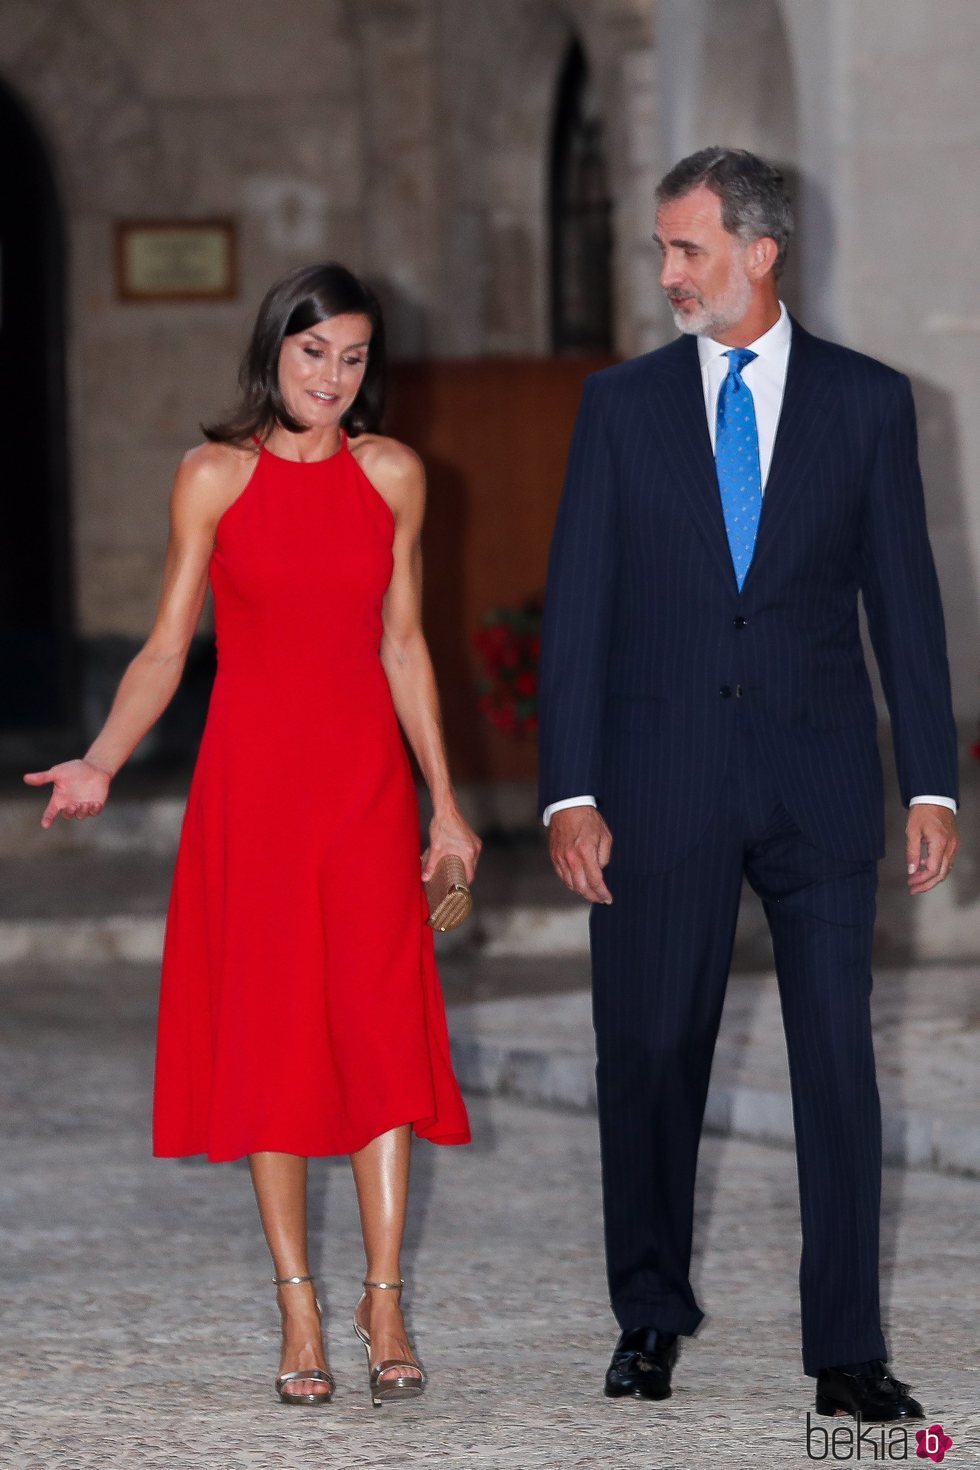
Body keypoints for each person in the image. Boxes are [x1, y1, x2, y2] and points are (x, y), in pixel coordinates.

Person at [538, 148, 958, 1421]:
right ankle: (648, 1316)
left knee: (836, 1058)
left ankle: (845, 1353)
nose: (666, 273)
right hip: (653, 785)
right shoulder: (618, 408)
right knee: (650, 1051)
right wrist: (568, 792)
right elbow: (578, 610)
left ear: (758, 252)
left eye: (686, 250)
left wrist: (929, 782)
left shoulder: (869, 402)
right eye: (660, 251)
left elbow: (906, 601)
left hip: (819, 786)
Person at [24, 262, 480, 1409]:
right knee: (275, 1035)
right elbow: (168, 647)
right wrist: (101, 757)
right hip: (255, 793)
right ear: (274, 352)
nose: (333, 377)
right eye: (314, 353)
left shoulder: (393, 474)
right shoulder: (212, 478)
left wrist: (447, 802)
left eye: (354, 356)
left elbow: (405, 645)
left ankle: (383, 1299)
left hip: (365, 787)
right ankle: (298, 1308)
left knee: (378, 1030)